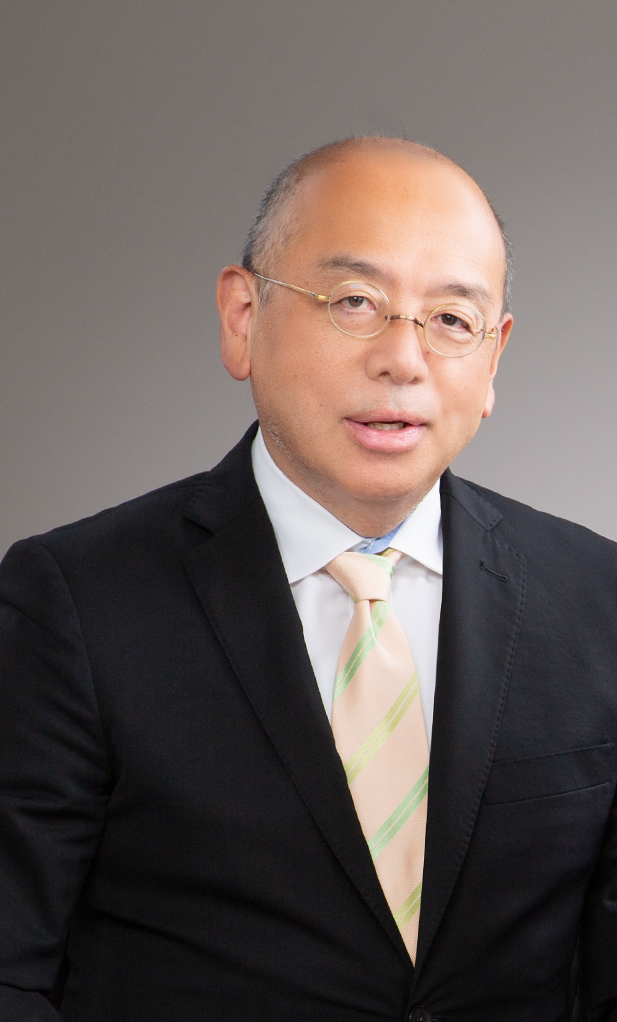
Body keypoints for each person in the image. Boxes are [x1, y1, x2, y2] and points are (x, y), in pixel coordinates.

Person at [0, 137, 616, 1022]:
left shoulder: (596, 599)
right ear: (242, 317)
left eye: (450, 320)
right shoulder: (76, 602)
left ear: (493, 362)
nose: (403, 359)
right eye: (355, 301)